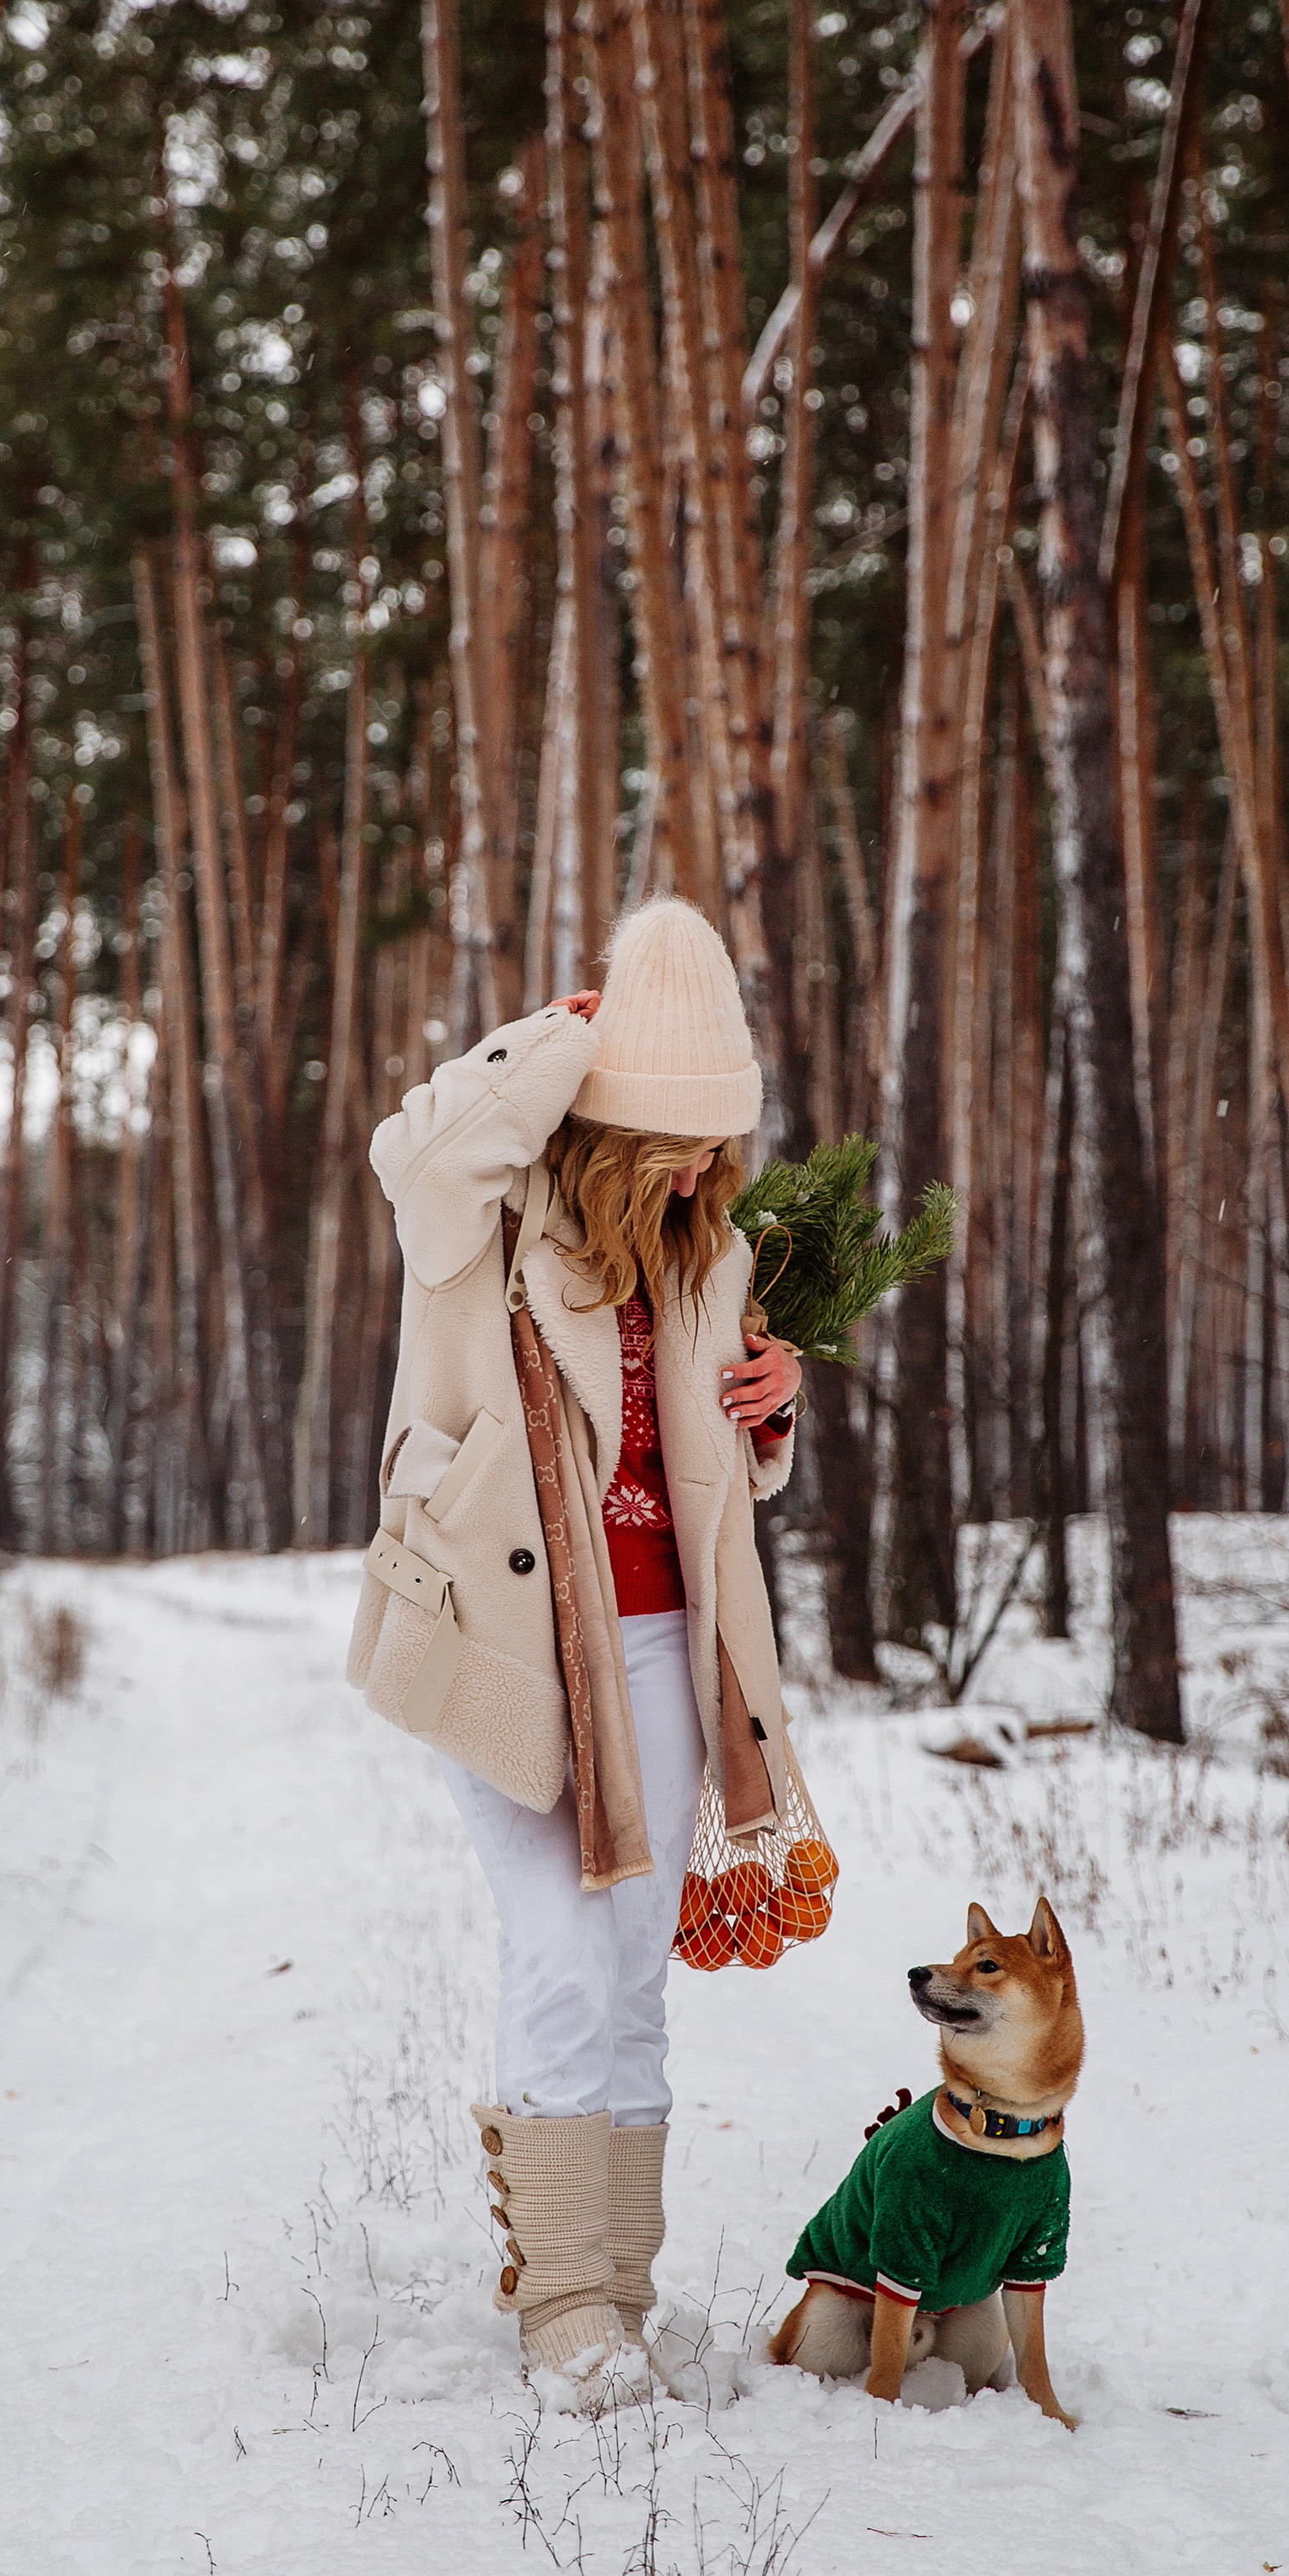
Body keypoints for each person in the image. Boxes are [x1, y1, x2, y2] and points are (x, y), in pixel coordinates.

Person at [350, 899, 804, 2407]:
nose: (691, 1167)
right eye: (663, 1136)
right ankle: (559, 2313)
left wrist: (769, 1416)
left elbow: (717, 1483)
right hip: (511, 1637)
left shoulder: (710, 1252)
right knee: (555, 1945)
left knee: (627, 1969)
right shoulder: (478, 1220)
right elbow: (412, 1147)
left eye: (710, 1141)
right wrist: (567, 1034)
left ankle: (617, 2287)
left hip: (668, 1642)